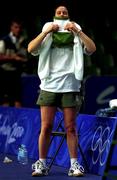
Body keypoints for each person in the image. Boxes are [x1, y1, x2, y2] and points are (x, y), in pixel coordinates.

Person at [28, 5, 96, 177]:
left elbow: (92, 48)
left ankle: (74, 165)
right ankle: (41, 164)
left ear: (69, 15)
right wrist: (46, 33)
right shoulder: (47, 29)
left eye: (64, 12)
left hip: (70, 85)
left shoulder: (76, 29)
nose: (62, 14)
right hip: (49, 85)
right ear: (54, 15)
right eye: (59, 12)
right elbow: (31, 49)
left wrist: (78, 32)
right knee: (46, 126)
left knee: (71, 127)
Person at [0, 18, 28, 107]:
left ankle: (18, 120)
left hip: (17, 74)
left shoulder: (22, 41)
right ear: (11, 28)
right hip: (5, 73)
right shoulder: (4, 40)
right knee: (5, 100)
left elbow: (25, 57)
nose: (18, 30)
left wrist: (22, 59)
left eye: (19, 28)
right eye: (16, 27)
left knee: (17, 99)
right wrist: (13, 58)